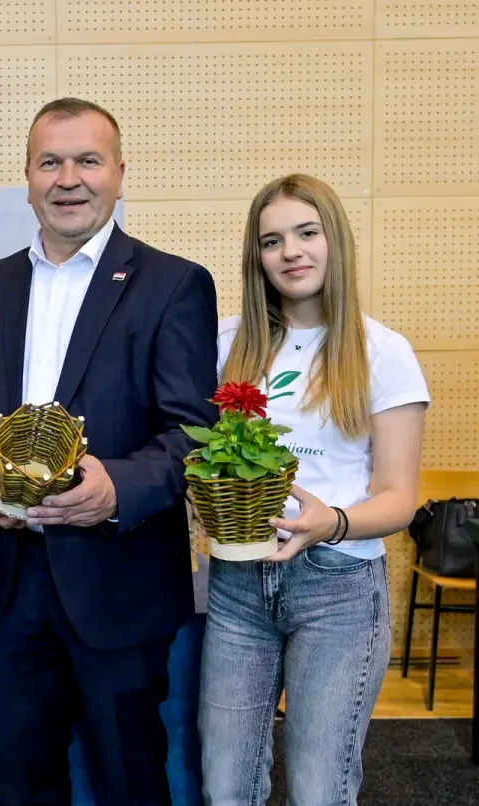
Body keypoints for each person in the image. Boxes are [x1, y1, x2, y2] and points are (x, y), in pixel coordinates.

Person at [0, 97, 220, 805]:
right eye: (50, 161)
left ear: (120, 173)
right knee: (23, 781)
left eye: (88, 160)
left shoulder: (173, 284)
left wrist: (117, 488)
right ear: (28, 178)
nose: (69, 178)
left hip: (118, 585)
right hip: (13, 586)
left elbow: (195, 431)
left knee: (129, 780)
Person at [198, 174, 429, 805]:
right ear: (257, 258)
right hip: (239, 586)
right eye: (271, 241)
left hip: (339, 589)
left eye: (307, 232)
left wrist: (333, 523)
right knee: (225, 787)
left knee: (320, 789)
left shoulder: (383, 352)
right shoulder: (225, 342)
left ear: (336, 240)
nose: (291, 252)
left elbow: (398, 497)